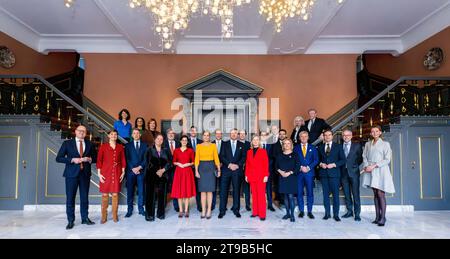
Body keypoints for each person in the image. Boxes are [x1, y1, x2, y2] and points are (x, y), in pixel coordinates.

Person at [56, 125, 96, 230]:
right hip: (71, 175)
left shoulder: (90, 144)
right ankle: (70, 220)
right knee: (70, 198)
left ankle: (85, 218)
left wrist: (90, 159)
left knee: (84, 198)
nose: (82, 132)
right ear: (75, 131)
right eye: (80, 131)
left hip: (85, 175)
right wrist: (72, 160)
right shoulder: (67, 143)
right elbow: (58, 158)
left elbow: (95, 158)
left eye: (84, 131)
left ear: (86, 133)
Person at [362, 125, 395, 226]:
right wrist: (367, 166)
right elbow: (364, 156)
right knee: (375, 194)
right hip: (370, 169)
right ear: (371, 133)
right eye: (372, 131)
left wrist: (374, 166)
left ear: (380, 132)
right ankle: (377, 217)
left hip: (381, 170)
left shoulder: (385, 144)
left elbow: (387, 159)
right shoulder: (368, 144)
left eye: (376, 131)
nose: (374, 133)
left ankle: (383, 217)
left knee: (381, 194)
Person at [97, 129, 126, 223]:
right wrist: (99, 174)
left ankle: (114, 215)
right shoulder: (103, 146)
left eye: (115, 134)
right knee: (105, 194)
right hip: (105, 172)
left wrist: (123, 172)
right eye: (112, 134)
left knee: (115, 194)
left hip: (117, 172)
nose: (114, 136)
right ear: (108, 136)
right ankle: (104, 216)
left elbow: (123, 160)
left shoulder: (120, 147)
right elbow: (99, 161)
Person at [318, 129, 346, 221]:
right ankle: (327, 214)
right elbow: (318, 160)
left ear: (332, 136)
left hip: (335, 174)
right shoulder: (320, 147)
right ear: (324, 136)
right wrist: (321, 164)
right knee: (325, 195)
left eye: (329, 135)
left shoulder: (338, 146)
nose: (327, 136)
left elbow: (343, 160)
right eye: (325, 135)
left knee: (335, 195)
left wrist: (334, 164)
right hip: (324, 174)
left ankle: (336, 214)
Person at [218, 129, 246, 219]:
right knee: (223, 191)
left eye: (235, 133)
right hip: (226, 170)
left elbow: (244, 157)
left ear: (237, 135)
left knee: (236, 190)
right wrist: (229, 164)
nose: (234, 135)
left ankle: (236, 210)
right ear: (230, 134)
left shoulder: (242, 144)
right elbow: (221, 156)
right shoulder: (224, 144)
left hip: (237, 171)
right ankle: (222, 210)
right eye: (232, 133)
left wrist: (238, 165)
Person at [144, 134, 173, 221]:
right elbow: (147, 162)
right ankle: (149, 215)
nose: (159, 140)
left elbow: (170, 162)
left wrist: (163, 170)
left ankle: (160, 214)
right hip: (151, 175)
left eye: (161, 139)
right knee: (150, 196)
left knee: (162, 196)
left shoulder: (166, 150)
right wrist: (157, 171)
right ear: (155, 139)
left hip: (163, 176)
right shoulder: (149, 149)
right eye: (158, 139)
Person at [195, 131, 221, 219]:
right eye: (204, 135)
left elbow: (216, 158)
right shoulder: (198, 146)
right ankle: (203, 210)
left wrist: (219, 170)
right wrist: (196, 171)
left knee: (210, 191)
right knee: (202, 191)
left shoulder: (213, 146)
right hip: (201, 169)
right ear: (202, 137)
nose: (206, 137)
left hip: (211, 168)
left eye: (207, 135)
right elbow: (196, 159)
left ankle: (209, 210)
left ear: (209, 137)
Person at [293, 131, 319, 219]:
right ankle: (301, 211)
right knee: (299, 192)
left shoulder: (313, 147)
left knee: (310, 193)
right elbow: (294, 160)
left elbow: (316, 160)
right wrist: (300, 167)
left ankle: (310, 211)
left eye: (305, 136)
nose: (303, 138)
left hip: (309, 173)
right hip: (299, 174)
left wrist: (308, 167)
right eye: (302, 136)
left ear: (308, 137)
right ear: (299, 138)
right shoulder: (295, 148)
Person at [124, 128, 148, 218]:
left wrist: (139, 167)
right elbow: (127, 159)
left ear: (140, 135)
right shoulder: (127, 146)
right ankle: (129, 210)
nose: (136, 135)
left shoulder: (145, 146)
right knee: (130, 192)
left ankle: (141, 210)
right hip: (130, 172)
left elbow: (146, 159)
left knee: (141, 192)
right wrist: (133, 168)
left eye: (138, 133)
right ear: (132, 135)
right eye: (134, 133)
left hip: (141, 172)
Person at [245, 135, 269, 221]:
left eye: (257, 140)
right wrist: (246, 175)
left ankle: (262, 214)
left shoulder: (263, 151)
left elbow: (266, 164)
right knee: (254, 195)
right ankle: (255, 212)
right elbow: (247, 164)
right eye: (254, 140)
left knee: (261, 195)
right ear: (251, 142)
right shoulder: (249, 152)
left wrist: (266, 175)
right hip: (251, 176)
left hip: (261, 176)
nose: (255, 141)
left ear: (259, 142)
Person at [341, 129, 363, 221]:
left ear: (351, 136)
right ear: (342, 136)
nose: (346, 137)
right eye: (344, 135)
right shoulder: (339, 146)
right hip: (343, 173)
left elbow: (360, 159)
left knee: (355, 194)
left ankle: (357, 213)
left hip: (354, 173)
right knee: (346, 193)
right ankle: (349, 211)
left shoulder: (357, 146)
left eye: (348, 135)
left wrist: (353, 166)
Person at [171, 135, 196, 218]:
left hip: (187, 171)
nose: (184, 141)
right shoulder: (176, 150)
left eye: (186, 140)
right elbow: (174, 161)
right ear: (180, 141)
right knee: (179, 191)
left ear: (187, 142)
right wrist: (179, 164)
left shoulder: (190, 151)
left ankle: (186, 210)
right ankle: (180, 210)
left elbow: (193, 162)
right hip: (179, 172)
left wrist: (187, 164)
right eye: (183, 140)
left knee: (186, 190)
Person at [163, 128, 181, 212]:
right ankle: (163, 205)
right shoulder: (163, 143)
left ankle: (176, 205)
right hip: (166, 169)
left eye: (172, 133)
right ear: (167, 135)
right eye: (169, 133)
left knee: (175, 187)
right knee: (165, 187)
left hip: (176, 169)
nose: (171, 134)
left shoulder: (178, 143)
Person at [187, 126, 203, 212]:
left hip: (199, 168)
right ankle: (185, 206)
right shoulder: (186, 141)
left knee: (198, 187)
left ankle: (199, 205)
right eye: (192, 130)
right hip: (188, 168)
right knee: (187, 186)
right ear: (190, 132)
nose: (193, 132)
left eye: (195, 130)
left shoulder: (201, 142)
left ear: (197, 132)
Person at [270, 129, 288, 207]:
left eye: (283, 134)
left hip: (287, 168)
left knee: (285, 184)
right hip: (277, 168)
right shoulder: (274, 144)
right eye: (280, 134)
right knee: (277, 184)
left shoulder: (289, 143)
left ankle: (285, 199)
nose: (282, 135)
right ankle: (279, 200)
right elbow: (272, 155)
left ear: (285, 135)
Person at [260, 131, 275, 211]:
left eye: (265, 135)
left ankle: (270, 205)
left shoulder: (271, 145)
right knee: (260, 189)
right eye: (262, 135)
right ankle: (261, 204)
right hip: (259, 171)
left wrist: (267, 166)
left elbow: (273, 157)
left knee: (269, 188)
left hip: (268, 169)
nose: (263, 136)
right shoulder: (257, 145)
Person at [210, 129, 224, 211]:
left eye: (220, 133)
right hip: (213, 168)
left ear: (221, 135)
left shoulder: (225, 144)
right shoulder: (211, 144)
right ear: (215, 134)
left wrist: (221, 163)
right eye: (217, 134)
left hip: (223, 167)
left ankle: (222, 205)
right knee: (213, 187)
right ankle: (213, 204)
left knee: (223, 187)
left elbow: (227, 155)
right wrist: (215, 164)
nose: (218, 135)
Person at [238, 129, 251, 211]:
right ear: (239, 135)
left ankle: (247, 204)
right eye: (241, 134)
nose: (242, 135)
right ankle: (236, 204)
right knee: (237, 187)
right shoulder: (236, 143)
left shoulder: (249, 144)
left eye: (244, 134)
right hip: (238, 169)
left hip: (247, 168)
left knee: (247, 188)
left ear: (245, 135)